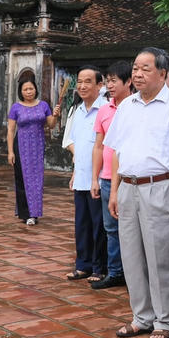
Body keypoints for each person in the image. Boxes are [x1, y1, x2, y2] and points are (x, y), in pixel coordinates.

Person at [107, 48, 169, 338]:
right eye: (135, 68)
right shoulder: (127, 105)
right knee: (131, 255)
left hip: (162, 185)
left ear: (163, 73)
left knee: (162, 257)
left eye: (145, 68)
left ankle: (166, 320)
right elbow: (117, 149)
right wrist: (115, 190)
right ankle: (141, 317)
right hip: (128, 186)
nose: (138, 74)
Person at [90, 61, 131, 289]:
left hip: (129, 177)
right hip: (106, 178)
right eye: (107, 81)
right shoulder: (104, 110)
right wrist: (94, 178)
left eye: (114, 80)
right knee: (111, 228)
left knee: (133, 229)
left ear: (128, 82)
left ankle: (135, 273)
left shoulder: (135, 107)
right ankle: (116, 271)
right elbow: (98, 146)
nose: (109, 85)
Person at [63, 65, 107, 280]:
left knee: (99, 225)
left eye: (88, 81)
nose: (82, 85)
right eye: (79, 81)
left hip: (98, 178)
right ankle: (83, 264)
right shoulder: (77, 111)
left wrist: (96, 177)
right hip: (81, 176)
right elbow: (76, 144)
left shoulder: (106, 110)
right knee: (82, 224)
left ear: (100, 85)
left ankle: (99, 268)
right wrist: (74, 172)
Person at [7, 75, 56, 225]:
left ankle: (34, 213)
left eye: (31, 88)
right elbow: (10, 130)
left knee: (36, 179)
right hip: (21, 145)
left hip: (37, 145)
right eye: (25, 89)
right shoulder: (16, 107)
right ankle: (25, 213)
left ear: (36, 89)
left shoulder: (43, 105)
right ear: (20, 91)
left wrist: (56, 115)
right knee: (22, 179)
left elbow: (51, 125)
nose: (29, 92)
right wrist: (10, 152)